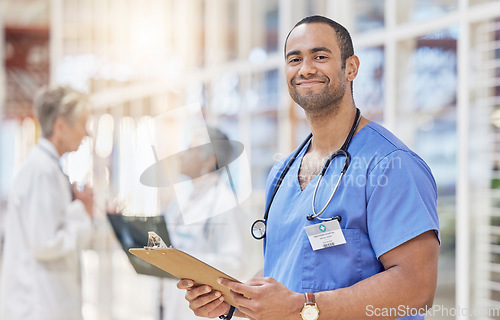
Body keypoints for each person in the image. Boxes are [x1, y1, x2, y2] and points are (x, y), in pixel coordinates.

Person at [177, 15, 440, 320]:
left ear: (351, 67)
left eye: (320, 56)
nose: (306, 68)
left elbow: (416, 287)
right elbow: (290, 266)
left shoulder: (390, 165)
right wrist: (235, 300)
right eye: (294, 59)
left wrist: (301, 306)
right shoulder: (282, 173)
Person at [0, 86, 94, 320]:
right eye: (82, 124)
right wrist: (83, 212)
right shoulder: (42, 171)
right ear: (61, 126)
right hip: (38, 306)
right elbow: (45, 244)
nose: (87, 133)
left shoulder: (47, 167)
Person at [159, 127, 244, 320]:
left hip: (203, 310)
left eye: (191, 150)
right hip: (173, 303)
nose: (182, 155)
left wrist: (184, 260)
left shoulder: (224, 202)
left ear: (209, 160)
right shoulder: (184, 198)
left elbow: (233, 264)